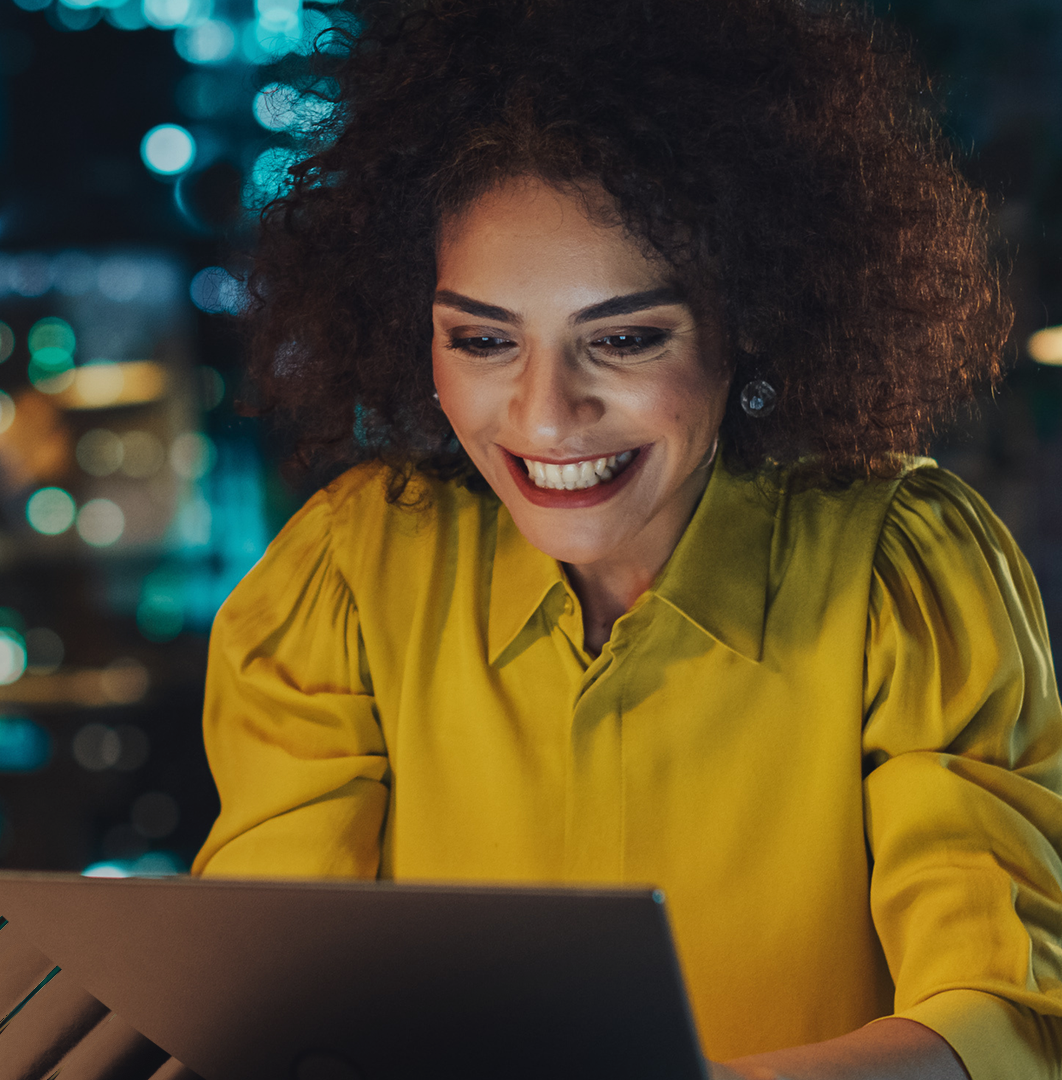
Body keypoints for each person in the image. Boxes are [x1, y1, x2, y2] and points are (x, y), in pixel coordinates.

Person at [190, 1, 1062, 1077]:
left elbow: (996, 1023)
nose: (546, 417)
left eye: (626, 338)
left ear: (746, 323)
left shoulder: (901, 569)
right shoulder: (349, 572)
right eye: (482, 339)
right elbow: (271, 1004)